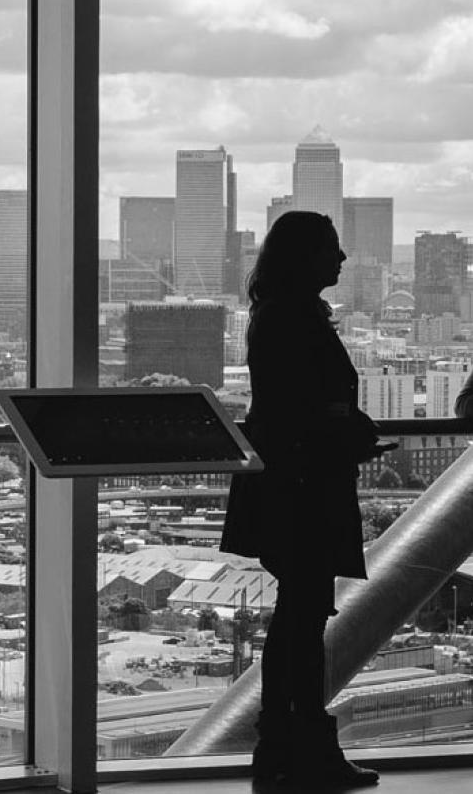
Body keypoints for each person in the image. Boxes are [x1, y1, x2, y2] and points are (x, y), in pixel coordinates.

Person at [221, 211, 393, 788]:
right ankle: (302, 748)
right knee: (303, 621)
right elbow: (301, 407)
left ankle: (282, 747)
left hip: (288, 484)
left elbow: (289, 403)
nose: (342, 260)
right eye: (333, 250)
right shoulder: (295, 317)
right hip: (304, 488)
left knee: (299, 619)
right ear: (306, 257)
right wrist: (348, 433)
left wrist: (344, 425)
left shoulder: (278, 314)